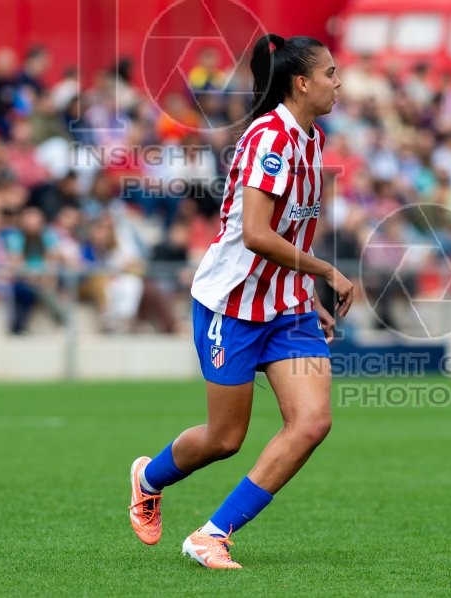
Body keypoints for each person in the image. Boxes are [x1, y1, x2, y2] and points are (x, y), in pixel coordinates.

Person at [128, 33, 352, 569]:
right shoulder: (269, 138)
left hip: (287, 306)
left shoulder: (313, 139)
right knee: (225, 439)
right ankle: (148, 476)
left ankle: (212, 534)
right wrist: (325, 271)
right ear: (302, 83)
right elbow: (254, 233)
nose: (339, 83)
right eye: (330, 74)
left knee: (313, 422)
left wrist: (307, 293)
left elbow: (292, 229)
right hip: (232, 306)